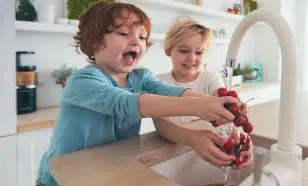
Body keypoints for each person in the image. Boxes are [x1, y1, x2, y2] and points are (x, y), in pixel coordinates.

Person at [36, 2, 240, 186]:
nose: (136, 41)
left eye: (142, 37)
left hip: (107, 170)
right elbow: (125, 102)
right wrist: (200, 107)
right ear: (95, 41)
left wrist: (219, 103)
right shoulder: (82, 81)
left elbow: (170, 92)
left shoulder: (141, 77)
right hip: (64, 177)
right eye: (124, 33)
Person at [155, 19, 254, 168]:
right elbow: (163, 125)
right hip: (173, 152)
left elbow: (225, 108)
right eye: (184, 51)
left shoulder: (210, 78)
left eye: (199, 52)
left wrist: (239, 136)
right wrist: (192, 138)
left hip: (207, 148)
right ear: (168, 50)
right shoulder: (157, 83)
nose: (192, 58)